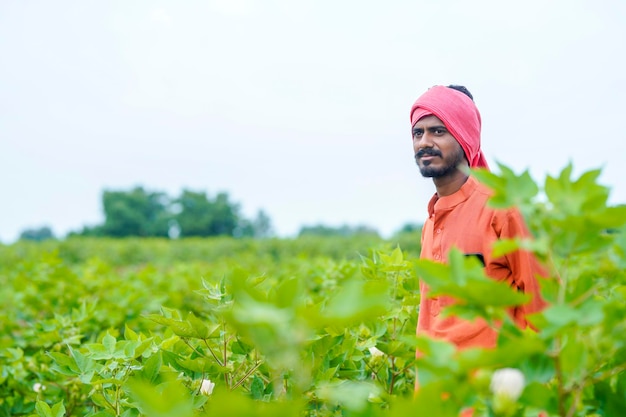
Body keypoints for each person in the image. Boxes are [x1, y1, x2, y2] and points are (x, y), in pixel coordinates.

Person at [409, 85, 547, 386]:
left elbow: (542, 305)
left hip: (492, 397)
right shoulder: (430, 222)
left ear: (465, 137)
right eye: (418, 133)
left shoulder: (502, 208)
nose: (425, 142)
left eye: (438, 131)